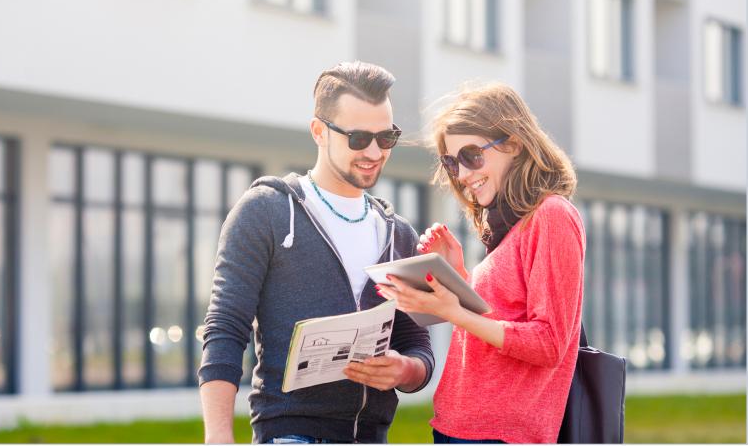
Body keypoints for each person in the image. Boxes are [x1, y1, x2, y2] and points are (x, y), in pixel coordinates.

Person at [198, 61, 434, 444]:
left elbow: (416, 343)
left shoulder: (398, 233)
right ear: (319, 132)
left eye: (385, 137)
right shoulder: (267, 212)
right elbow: (225, 328)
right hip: (291, 434)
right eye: (358, 138)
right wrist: (218, 437)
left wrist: (405, 370)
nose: (374, 152)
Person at [376, 82, 584, 443]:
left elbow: (549, 343)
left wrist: (454, 310)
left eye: (471, 155)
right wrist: (458, 276)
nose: (462, 174)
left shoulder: (552, 216)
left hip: (501, 435)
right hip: (459, 427)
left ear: (514, 143)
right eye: (451, 162)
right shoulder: (512, 227)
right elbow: (501, 319)